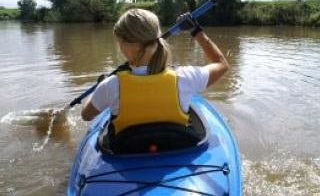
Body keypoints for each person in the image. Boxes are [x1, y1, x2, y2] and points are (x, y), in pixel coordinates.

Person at [81, 9, 229, 135]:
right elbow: (221, 63)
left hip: (128, 151)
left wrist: (99, 86)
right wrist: (196, 31)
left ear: (123, 43)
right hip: (174, 147)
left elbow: (86, 115)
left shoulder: (110, 86)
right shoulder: (185, 78)